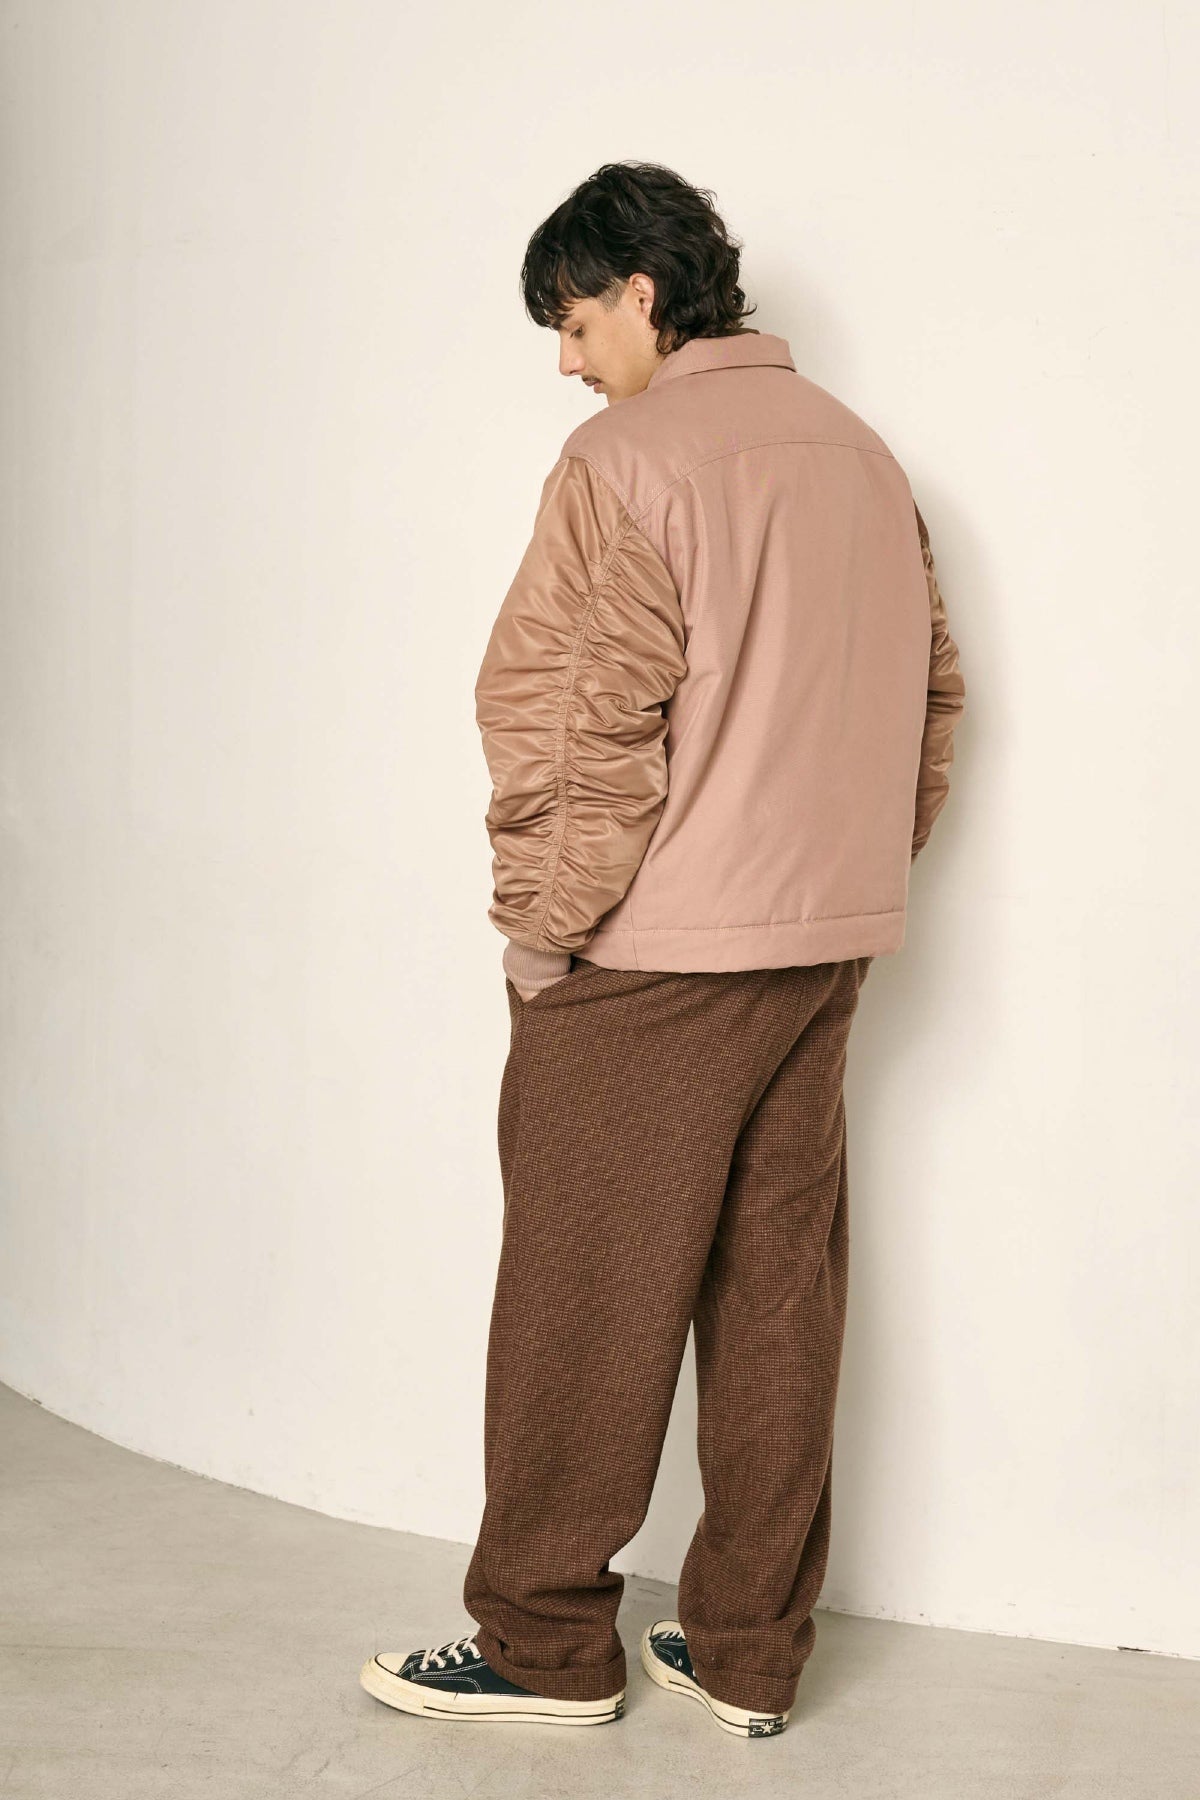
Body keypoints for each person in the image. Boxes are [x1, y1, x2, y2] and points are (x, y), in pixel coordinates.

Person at [360, 160, 966, 1739]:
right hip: (820, 950)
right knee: (777, 1300)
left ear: (643, 291)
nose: (567, 362)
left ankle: (544, 1645)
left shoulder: (625, 462)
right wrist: (847, 878)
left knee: (579, 1302)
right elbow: (930, 698)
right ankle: (749, 1651)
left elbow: (574, 725)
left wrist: (541, 936)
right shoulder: (865, 457)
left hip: (654, 956)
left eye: (574, 323)